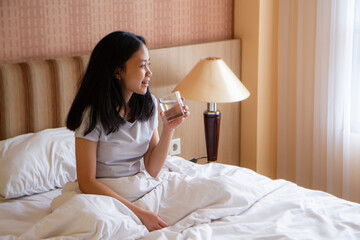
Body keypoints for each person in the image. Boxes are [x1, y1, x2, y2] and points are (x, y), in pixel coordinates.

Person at [66, 31, 189, 232]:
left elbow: (152, 169)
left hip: (140, 187)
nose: (149, 72)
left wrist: (168, 129)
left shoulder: (147, 102)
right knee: (103, 226)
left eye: (149, 64)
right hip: (105, 194)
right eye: (142, 66)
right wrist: (139, 213)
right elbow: (86, 182)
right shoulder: (92, 115)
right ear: (118, 71)